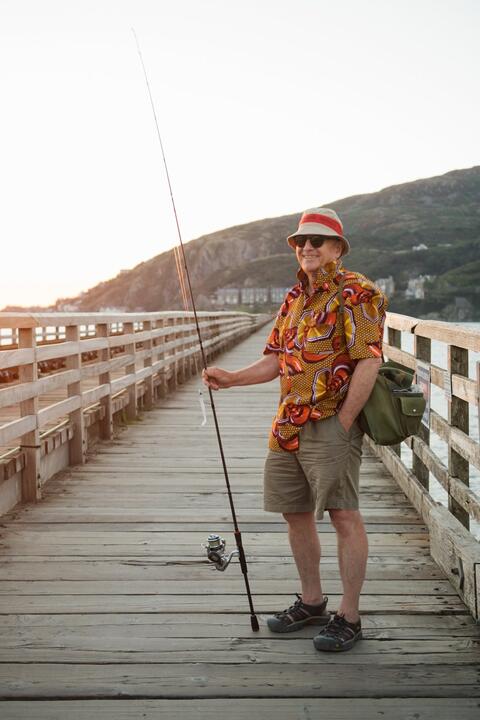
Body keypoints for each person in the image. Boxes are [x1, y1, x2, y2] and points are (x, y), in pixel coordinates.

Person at [202, 207, 387, 652]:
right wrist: (232, 378)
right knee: (295, 513)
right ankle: (312, 601)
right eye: (300, 242)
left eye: (317, 241)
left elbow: (370, 359)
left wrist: (344, 422)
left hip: (330, 421)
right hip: (287, 423)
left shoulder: (358, 292)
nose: (306, 247)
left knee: (343, 516)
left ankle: (350, 615)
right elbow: (275, 360)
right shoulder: (293, 298)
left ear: (337, 248)